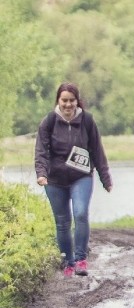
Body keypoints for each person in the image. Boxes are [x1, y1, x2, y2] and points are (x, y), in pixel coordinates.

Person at [35, 82, 113, 277]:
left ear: (77, 101)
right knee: (62, 223)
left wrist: (105, 178)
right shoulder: (49, 121)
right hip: (54, 180)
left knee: (80, 214)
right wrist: (41, 173)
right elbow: (41, 151)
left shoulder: (86, 120)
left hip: (81, 177)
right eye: (64, 100)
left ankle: (80, 260)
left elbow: (97, 150)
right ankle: (68, 262)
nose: (68, 104)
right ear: (58, 101)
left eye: (72, 100)